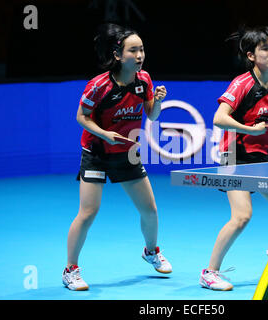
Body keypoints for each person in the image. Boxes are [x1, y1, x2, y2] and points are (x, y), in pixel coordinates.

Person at [199, 26, 268, 291]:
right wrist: (250, 129)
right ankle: (209, 272)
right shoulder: (242, 83)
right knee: (242, 217)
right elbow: (219, 118)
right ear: (251, 55)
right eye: (265, 49)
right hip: (235, 158)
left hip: (260, 158)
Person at [62, 23, 172, 291]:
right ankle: (70, 270)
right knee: (88, 213)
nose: (140, 55)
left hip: (128, 153)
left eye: (142, 49)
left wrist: (156, 101)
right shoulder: (99, 85)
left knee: (150, 210)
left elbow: (152, 114)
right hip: (97, 153)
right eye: (133, 50)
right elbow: (81, 117)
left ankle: (150, 251)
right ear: (117, 55)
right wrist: (105, 134)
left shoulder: (144, 80)